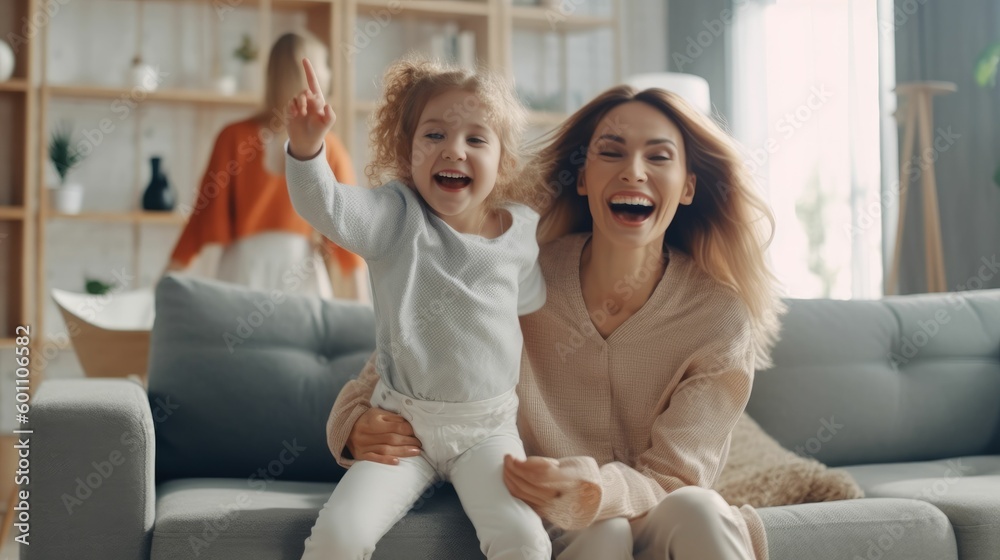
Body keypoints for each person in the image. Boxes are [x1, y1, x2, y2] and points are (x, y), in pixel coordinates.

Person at [328, 85, 786, 560]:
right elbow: (403, 360)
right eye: (611, 152)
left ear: (688, 185)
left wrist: (595, 491)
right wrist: (353, 423)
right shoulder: (513, 270)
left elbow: (676, 478)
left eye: (658, 157)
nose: (633, 172)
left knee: (701, 510)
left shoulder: (717, 315)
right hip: (551, 522)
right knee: (604, 535)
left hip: (660, 513)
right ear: (583, 177)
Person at [285, 55, 551, 559]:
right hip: (404, 428)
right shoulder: (393, 217)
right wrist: (306, 147)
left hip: (489, 430)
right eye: (434, 135)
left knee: (523, 540)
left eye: (476, 139)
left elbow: (532, 312)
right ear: (406, 153)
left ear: (503, 161)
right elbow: (325, 204)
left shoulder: (521, 233)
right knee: (340, 535)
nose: (454, 150)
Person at [165, 32, 364, 299]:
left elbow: (349, 234)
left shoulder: (330, 149)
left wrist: (366, 319)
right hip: (258, 279)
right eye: (325, 65)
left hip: (279, 280)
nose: (329, 74)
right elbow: (201, 220)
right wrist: (161, 290)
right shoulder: (235, 139)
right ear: (307, 75)